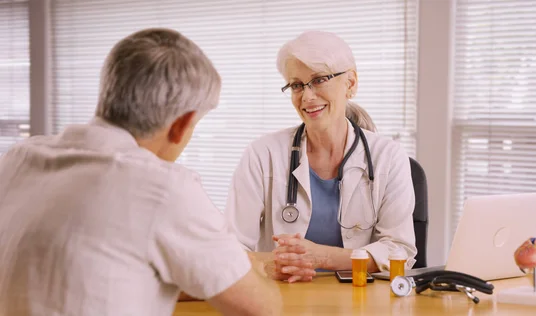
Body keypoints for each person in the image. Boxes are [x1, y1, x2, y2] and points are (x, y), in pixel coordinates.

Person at [0, 28, 281, 316]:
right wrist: (249, 267)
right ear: (181, 125)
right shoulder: (163, 187)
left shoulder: (16, 159)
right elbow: (262, 309)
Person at [225, 30, 417, 283]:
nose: (307, 96)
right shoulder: (263, 155)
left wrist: (322, 257)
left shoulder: (389, 157)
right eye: (296, 85)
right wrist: (268, 266)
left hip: (362, 300)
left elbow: (400, 251)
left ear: (350, 84)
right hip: (282, 297)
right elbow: (230, 248)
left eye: (319, 80)